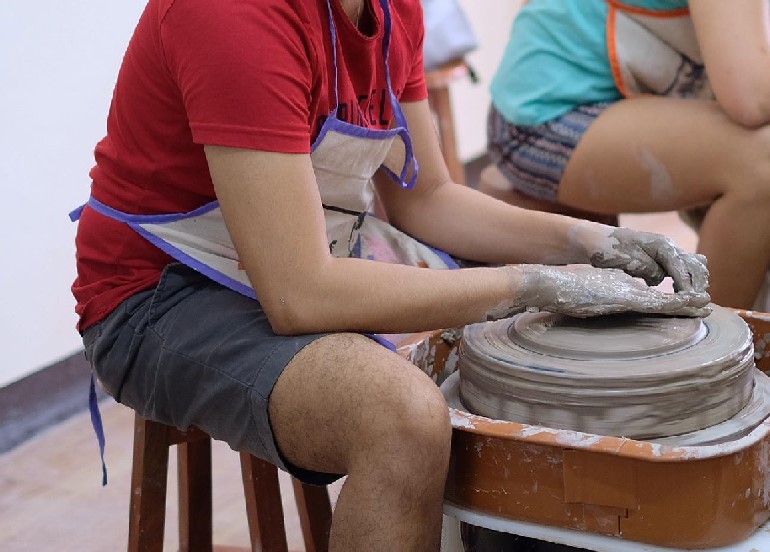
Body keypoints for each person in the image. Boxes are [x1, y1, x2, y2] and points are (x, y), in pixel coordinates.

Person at [70, 0, 709, 550]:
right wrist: (532, 283)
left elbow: (426, 198)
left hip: (307, 250)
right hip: (158, 293)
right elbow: (302, 295)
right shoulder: (237, 16)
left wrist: (589, 240)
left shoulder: (391, 8)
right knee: (399, 416)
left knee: (519, 348)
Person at [484, 0, 770, 311]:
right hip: (545, 111)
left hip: (602, 90)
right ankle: (715, 344)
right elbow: (750, 97)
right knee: (760, 161)